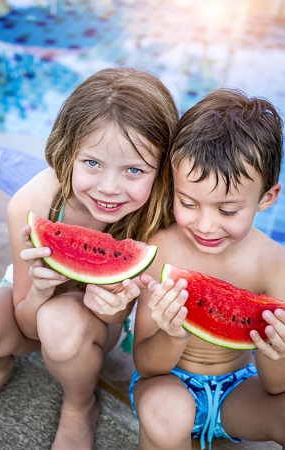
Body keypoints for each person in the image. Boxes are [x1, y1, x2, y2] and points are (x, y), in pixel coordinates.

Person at [0, 67, 178, 449]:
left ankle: (79, 405)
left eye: (134, 170)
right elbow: (26, 321)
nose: (109, 188)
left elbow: (117, 320)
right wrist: (40, 290)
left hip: (91, 328)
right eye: (92, 163)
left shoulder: (156, 219)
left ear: (162, 169)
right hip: (27, 304)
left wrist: (109, 308)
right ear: (68, 149)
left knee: (60, 324)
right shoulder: (33, 204)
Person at [129, 88, 285, 450]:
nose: (205, 225)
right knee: (167, 419)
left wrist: (276, 352)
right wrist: (173, 334)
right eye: (187, 202)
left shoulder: (273, 264)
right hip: (167, 384)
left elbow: (276, 387)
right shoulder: (162, 249)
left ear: (267, 198)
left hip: (241, 392)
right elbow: (147, 366)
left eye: (227, 211)